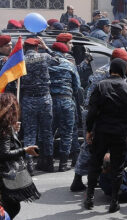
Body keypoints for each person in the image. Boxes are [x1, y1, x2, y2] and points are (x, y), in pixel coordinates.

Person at [84, 58, 127, 213]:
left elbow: (92, 112)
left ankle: (89, 198)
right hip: (119, 133)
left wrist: (89, 131)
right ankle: (114, 201)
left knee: (95, 164)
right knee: (117, 168)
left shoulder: (101, 86)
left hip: (101, 132)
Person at [70, 49, 127, 192]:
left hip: (91, 111)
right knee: (93, 145)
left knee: (93, 144)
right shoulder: (114, 73)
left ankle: (89, 177)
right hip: (98, 113)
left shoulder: (100, 71)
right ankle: (78, 179)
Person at [0, 93, 40, 219]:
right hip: (1, 174)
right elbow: (4, 153)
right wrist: (25, 150)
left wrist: (13, 132)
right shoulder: (3, 127)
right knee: (11, 207)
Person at [21, 38, 59, 173]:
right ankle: (49, 162)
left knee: (30, 133)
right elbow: (58, 60)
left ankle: (30, 164)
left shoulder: (21, 60)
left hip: (29, 99)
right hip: (45, 99)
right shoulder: (44, 56)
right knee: (47, 132)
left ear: (25, 48)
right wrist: (46, 47)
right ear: (37, 48)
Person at [49, 41, 80, 172]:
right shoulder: (69, 65)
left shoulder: (46, 63)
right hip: (66, 101)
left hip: (50, 101)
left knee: (49, 132)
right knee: (67, 133)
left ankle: (48, 162)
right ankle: (63, 164)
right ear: (64, 52)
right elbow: (77, 86)